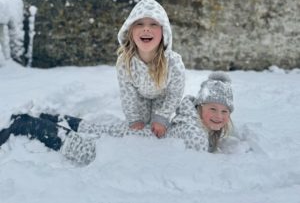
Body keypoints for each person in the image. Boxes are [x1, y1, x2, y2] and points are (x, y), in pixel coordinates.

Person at [0, 71, 234, 165]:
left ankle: (38, 117)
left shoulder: (193, 119)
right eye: (213, 109)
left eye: (224, 111)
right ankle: (25, 123)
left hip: (137, 136)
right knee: (79, 145)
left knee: (90, 127)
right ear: (200, 107)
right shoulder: (195, 135)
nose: (218, 116)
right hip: (131, 146)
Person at [116, 0, 185, 138]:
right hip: (140, 97)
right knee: (140, 130)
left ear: (163, 31)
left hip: (163, 97)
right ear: (130, 31)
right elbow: (127, 94)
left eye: (153, 24)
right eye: (139, 24)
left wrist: (163, 117)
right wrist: (134, 118)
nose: (146, 28)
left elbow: (175, 93)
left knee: (158, 130)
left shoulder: (174, 63)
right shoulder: (125, 62)